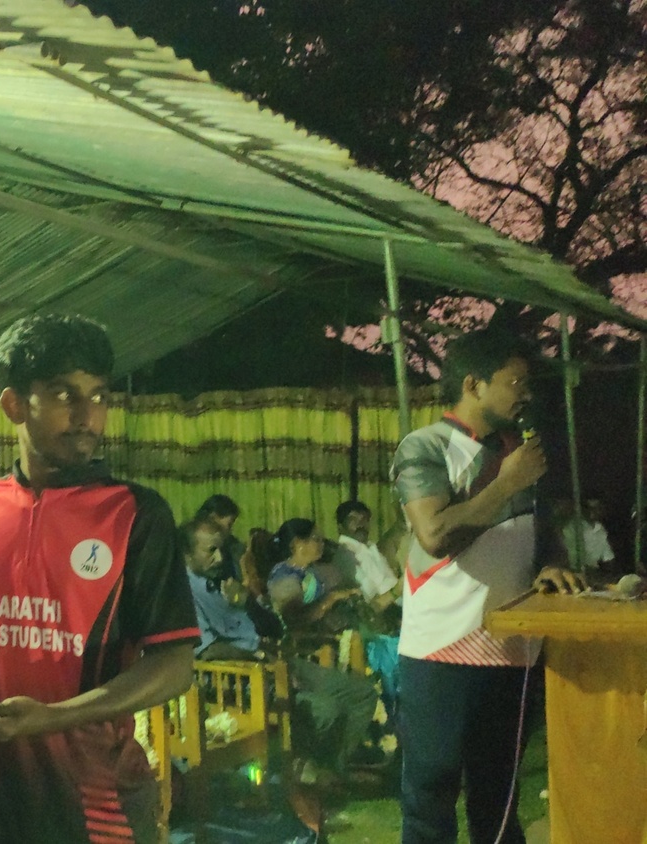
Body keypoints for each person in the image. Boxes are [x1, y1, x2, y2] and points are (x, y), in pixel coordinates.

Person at [0, 313, 200, 844]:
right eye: (63, 395)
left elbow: (174, 666)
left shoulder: (136, 514)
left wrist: (51, 718)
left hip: (99, 806)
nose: (85, 416)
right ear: (13, 405)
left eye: (97, 396)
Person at [390, 328, 582, 844]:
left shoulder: (519, 452)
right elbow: (435, 535)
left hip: (513, 647)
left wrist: (551, 564)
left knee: (498, 799)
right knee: (431, 791)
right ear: (473, 384)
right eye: (515, 382)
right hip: (441, 647)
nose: (526, 394)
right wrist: (507, 482)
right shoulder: (425, 446)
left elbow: (540, 529)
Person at [192, 520, 378, 785]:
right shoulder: (186, 594)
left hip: (274, 659)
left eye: (222, 550)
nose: (220, 558)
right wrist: (260, 660)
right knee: (326, 709)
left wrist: (247, 601)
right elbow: (209, 651)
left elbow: (274, 627)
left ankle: (329, 770)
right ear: (187, 553)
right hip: (243, 677)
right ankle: (309, 775)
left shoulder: (224, 580)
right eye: (211, 550)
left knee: (361, 693)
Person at [331, 500, 402, 719]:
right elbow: (372, 600)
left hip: (396, 614)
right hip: (375, 626)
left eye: (364, 520)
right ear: (340, 526)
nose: (360, 524)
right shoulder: (346, 555)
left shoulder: (370, 548)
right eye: (353, 520)